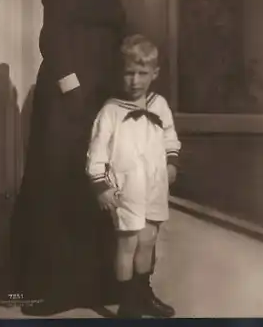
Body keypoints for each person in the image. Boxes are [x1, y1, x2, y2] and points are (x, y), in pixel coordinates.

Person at [10, 0, 129, 316]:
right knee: (61, 185)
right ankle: (53, 287)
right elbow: (54, 38)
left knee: (90, 185)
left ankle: (91, 283)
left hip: (94, 91)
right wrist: (75, 95)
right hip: (69, 96)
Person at [86, 34, 181, 318]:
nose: (135, 80)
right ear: (120, 73)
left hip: (155, 186)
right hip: (125, 189)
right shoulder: (110, 112)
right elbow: (96, 154)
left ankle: (143, 294)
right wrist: (101, 187)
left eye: (142, 73)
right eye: (129, 73)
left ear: (155, 73)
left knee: (148, 240)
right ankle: (127, 304)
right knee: (127, 244)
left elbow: (170, 137)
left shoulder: (159, 105)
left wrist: (172, 162)